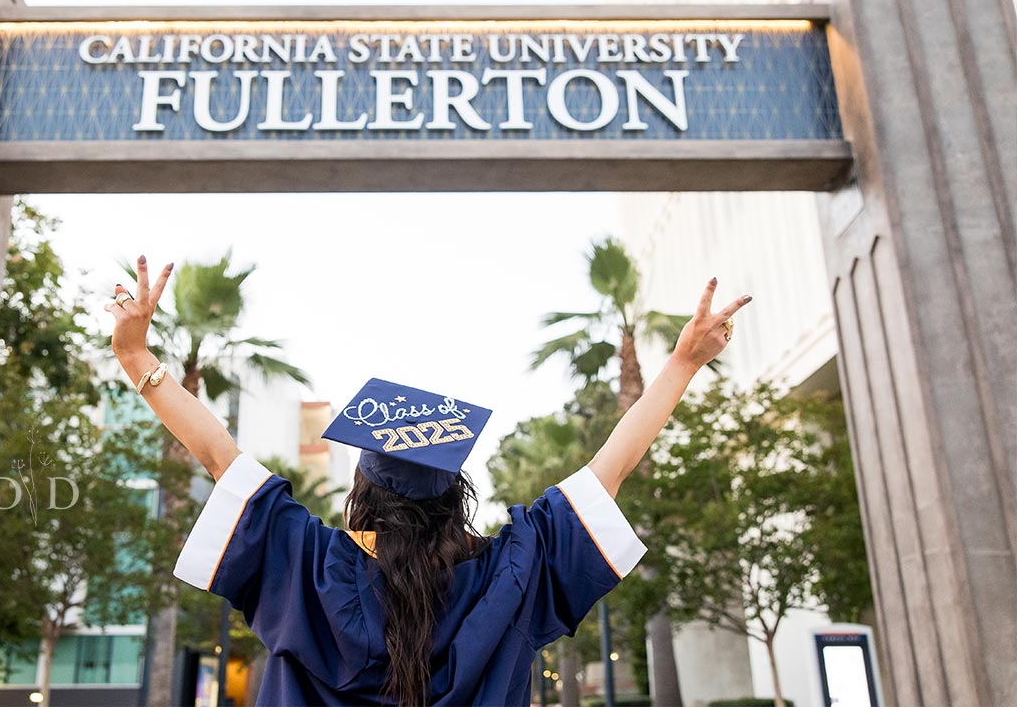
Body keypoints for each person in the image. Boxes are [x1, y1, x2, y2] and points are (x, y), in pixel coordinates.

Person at [106, 256, 752, 706]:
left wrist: (136, 355)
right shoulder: (512, 573)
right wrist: (682, 363)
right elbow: (611, 470)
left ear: (362, 491)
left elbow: (218, 456)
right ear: (454, 495)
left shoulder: (306, 565)